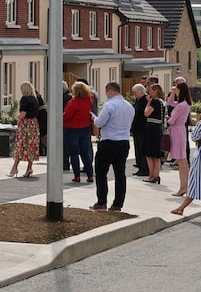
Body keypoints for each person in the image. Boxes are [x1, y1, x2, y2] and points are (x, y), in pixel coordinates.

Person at [91, 82, 133, 212]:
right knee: (120, 174)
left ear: (110, 91)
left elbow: (100, 122)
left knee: (101, 172)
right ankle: (117, 204)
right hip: (124, 141)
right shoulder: (129, 106)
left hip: (109, 141)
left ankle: (102, 201)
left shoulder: (109, 105)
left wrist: (93, 118)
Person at [63, 81, 95, 183]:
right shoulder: (89, 100)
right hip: (85, 128)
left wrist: (61, 116)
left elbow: (67, 116)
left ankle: (77, 176)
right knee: (85, 153)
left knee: (74, 153)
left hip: (72, 129)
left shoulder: (73, 102)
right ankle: (90, 175)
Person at [8, 81, 40, 178]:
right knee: (31, 146)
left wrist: (16, 119)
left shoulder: (24, 99)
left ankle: (14, 168)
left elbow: (23, 114)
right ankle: (29, 167)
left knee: (20, 146)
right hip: (34, 125)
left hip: (25, 125)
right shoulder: (35, 99)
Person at [167, 82, 192, 196]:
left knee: (181, 161)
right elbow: (170, 102)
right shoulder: (185, 103)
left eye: (176, 90)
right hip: (180, 130)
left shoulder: (181, 105)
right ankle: (185, 186)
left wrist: (168, 119)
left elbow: (172, 120)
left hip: (177, 130)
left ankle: (183, 187)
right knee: (183, 160)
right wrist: (173, 93)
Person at [142, 83, 166, 184]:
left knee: (150, 153)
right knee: (156, 153)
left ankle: (152, 175)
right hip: (158, 128)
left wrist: (148, 103)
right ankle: (156, 175)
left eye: (151, 90)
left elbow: (146, 113)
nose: (149, 92)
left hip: (151, 128)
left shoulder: (154, 102)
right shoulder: (161, 102)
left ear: (155, 91)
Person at [130, 84, 150, 177]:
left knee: (142, 149)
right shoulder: (138, 100)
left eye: (135, 92)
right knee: (137, 149)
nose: (134, 94)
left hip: (142, 128)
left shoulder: (145, 100)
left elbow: (141, 113)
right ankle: (140, 166)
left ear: (141, 91)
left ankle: (144, 168)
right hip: (137, 128)